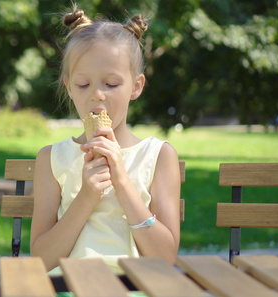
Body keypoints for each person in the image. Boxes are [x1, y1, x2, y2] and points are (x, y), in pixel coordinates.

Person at [30, 5, 181, 276]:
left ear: (136, 87)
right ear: (69, 87)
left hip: (135, 288)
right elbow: (41, 260)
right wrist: (87, 197)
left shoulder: (158, 156)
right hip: (67, 289)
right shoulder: (51, 159)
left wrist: (122, 181)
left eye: (111, 84)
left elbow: (165, 257)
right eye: (83, 84)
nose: (97, 95)